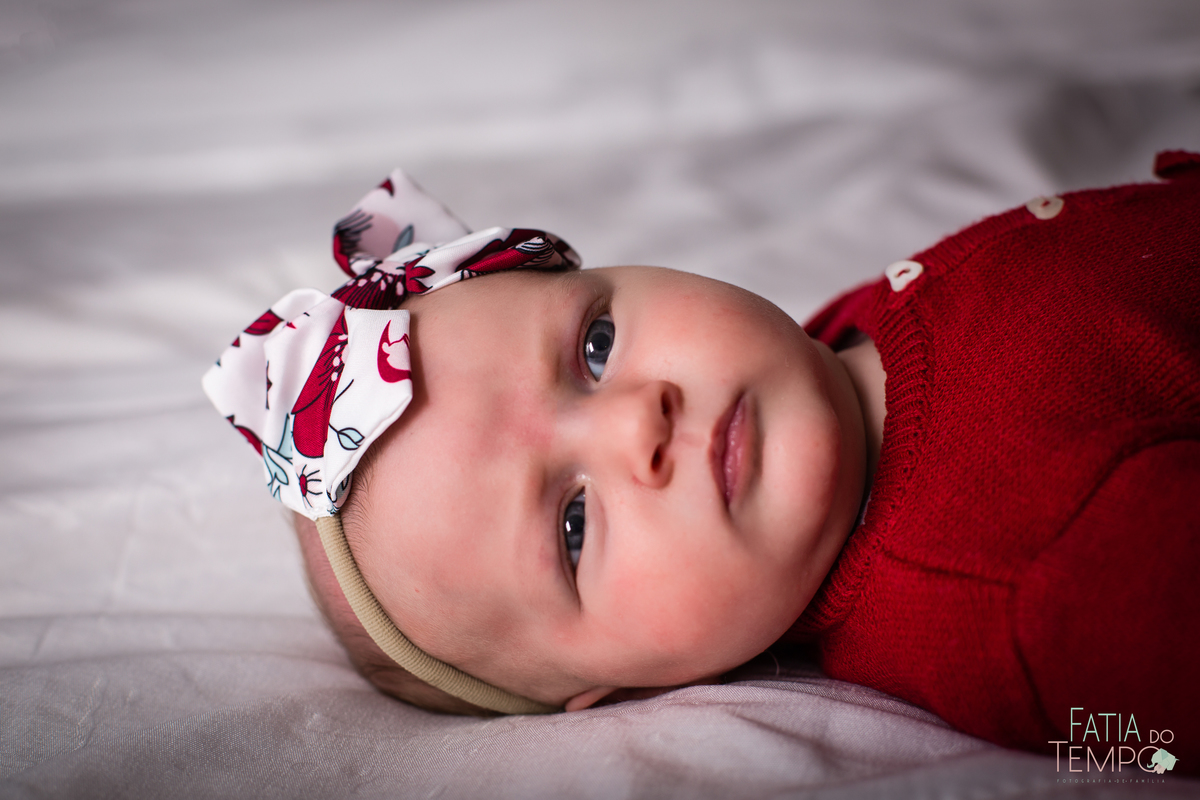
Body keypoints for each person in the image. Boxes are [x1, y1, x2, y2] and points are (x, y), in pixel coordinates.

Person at [205, 152, 1199, 772]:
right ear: (624, 689)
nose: (641, 422)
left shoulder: (837, 341)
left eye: (594, 348)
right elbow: (1151, 736)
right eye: (574, 525)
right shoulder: (1037, 594)